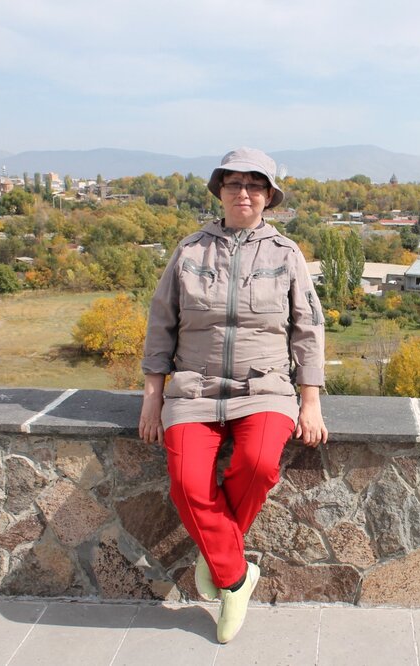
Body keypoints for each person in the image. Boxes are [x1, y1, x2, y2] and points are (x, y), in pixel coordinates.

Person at [138, 147, 328, 644]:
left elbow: (308, 328)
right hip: (193, 390)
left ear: (269, 196)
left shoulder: (285, 254)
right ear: (219, 191)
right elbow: (161, 323)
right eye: (233, 183)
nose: (244, 192)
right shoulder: (189, 251)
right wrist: (152, 396)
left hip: (264, 388)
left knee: (259, 464)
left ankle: (216, 556)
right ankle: (237, 578)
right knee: (186, 483)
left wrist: (310, 401)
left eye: (254, 184)